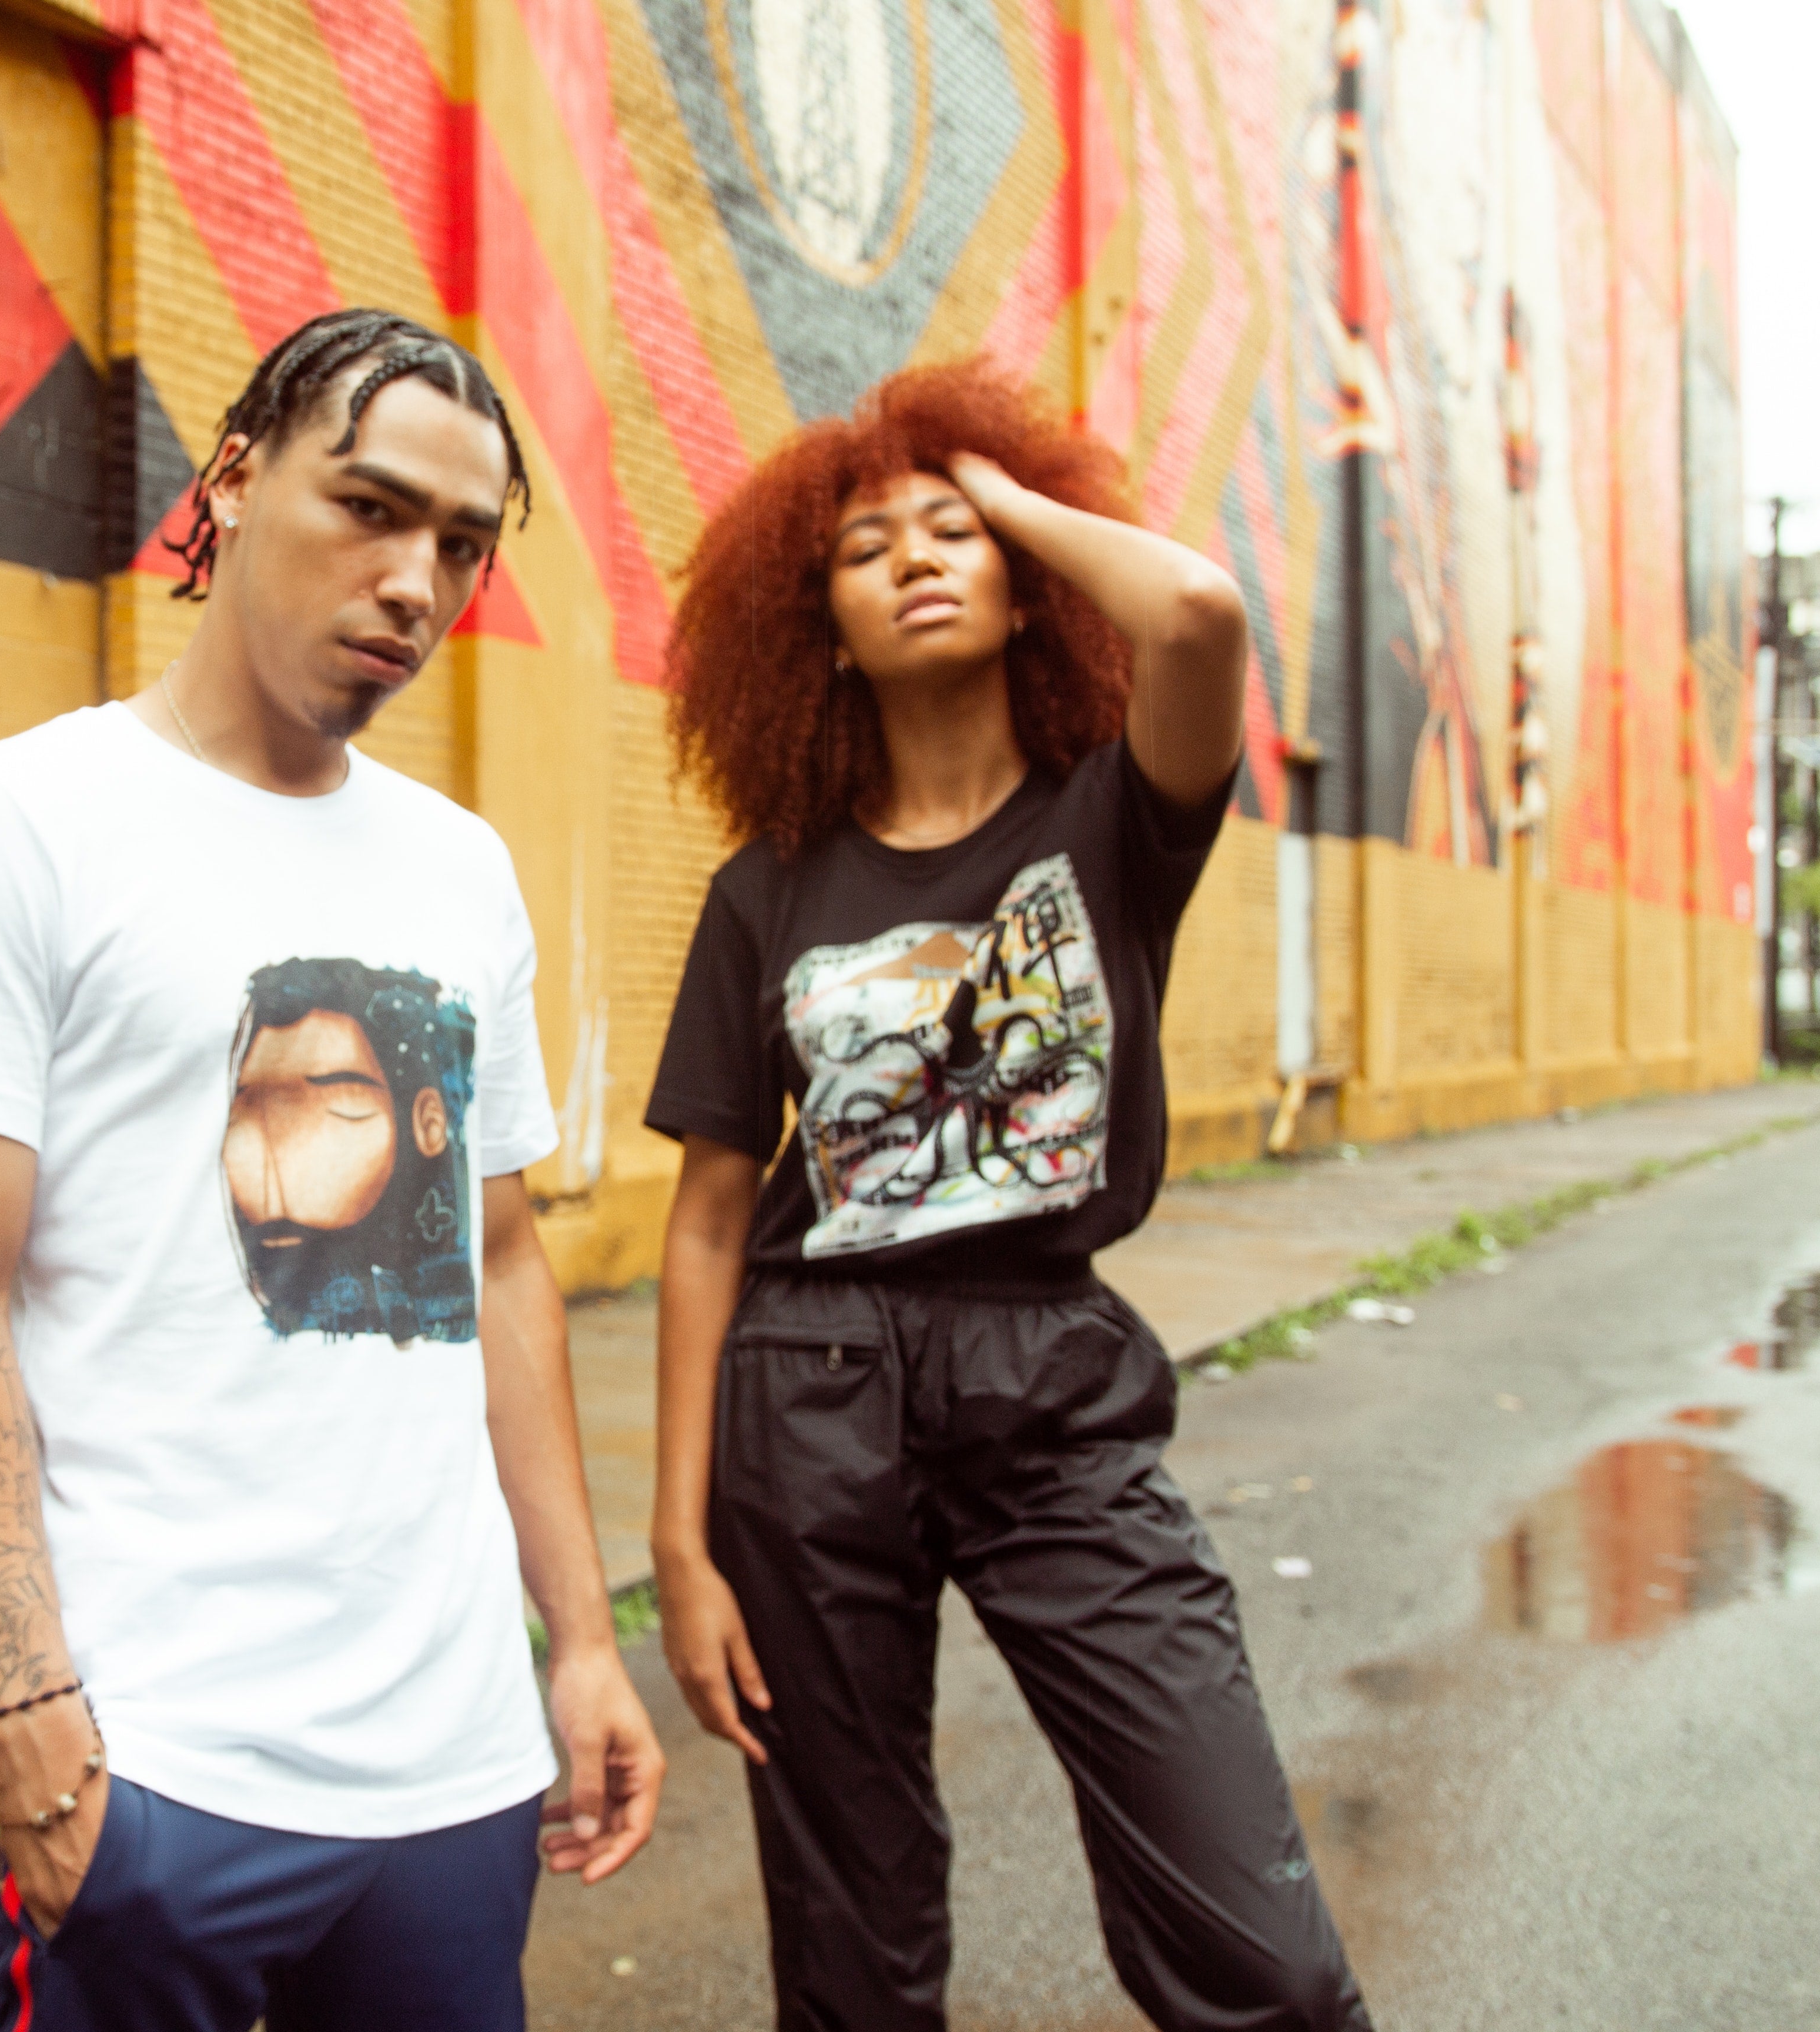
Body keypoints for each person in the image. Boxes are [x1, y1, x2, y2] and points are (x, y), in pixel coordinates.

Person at [0, 307, 664, 2032]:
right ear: (232, 476)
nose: (414, 584)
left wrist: (578, 1640)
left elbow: (501, 1264)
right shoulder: (17, 824)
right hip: (160, 1763)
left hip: (451, 1771)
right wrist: (24, 1711)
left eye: (458, 544)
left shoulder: (460, 870)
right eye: (367, 508)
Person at [642, 359, 1371, 2031]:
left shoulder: (1116, 817)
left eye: (951, 531)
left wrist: (1007, 503)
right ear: (816, 622)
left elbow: (1194, 610)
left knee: (1260, 1955)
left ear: (1025, 579)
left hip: (1048, 1375)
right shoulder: (768, 890)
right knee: (855, 1952)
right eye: (865, 545)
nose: (915, 555)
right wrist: (679, 1544)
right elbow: (703, 1215)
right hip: (804, 1395)